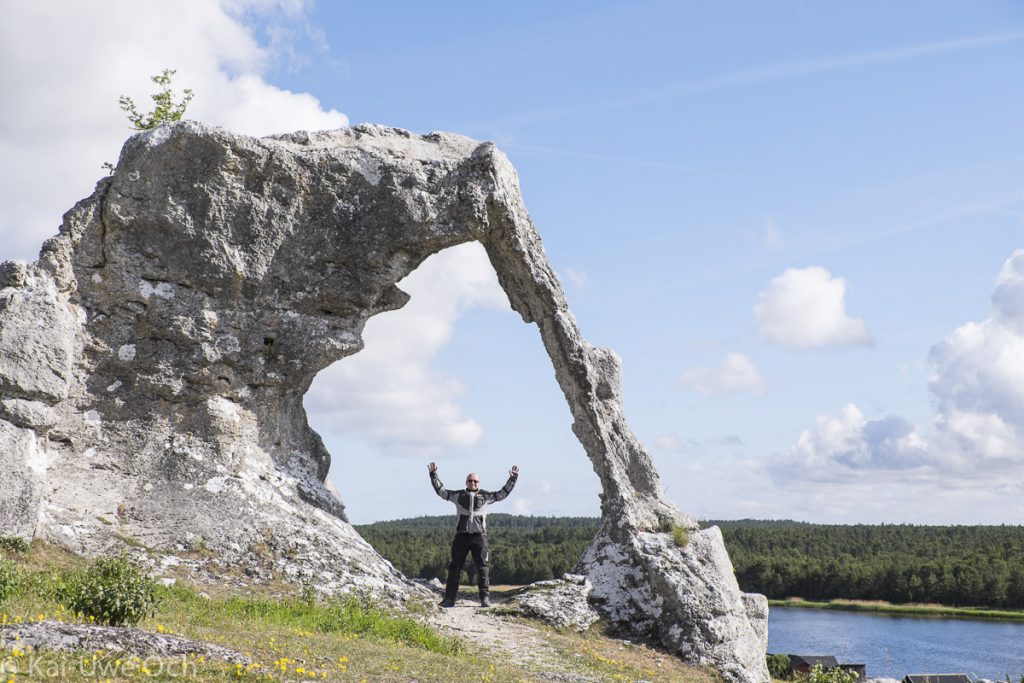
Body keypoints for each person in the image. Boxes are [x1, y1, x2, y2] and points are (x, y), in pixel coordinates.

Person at [428, 462, 519, 607]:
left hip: (479, 537)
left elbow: (502, 494)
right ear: (466, 482)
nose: (473, 483)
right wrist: (433, 475)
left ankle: (485, 599)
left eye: (475, 481)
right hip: (461, 536)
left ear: (479, 483)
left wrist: (512, 479)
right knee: (455, 568)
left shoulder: (486, 496)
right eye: (470, 481)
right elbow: (442, 492)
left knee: (483, 568)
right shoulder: (458, 495)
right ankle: (449, 599)